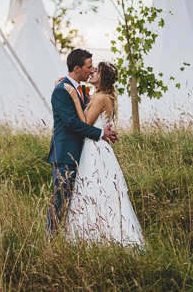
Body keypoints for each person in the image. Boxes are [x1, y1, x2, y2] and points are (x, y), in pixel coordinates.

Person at [62, 61, 145, 248]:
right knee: (103, 192)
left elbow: (85, 123)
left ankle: (93, 238)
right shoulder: (103, 96)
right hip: (102, 148)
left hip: (94, 149)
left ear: (102, 77)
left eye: (96, 71)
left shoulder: (100, 98)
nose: (92, 72)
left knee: (92, 190)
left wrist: (75, 98)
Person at [46, 49, 118, 237]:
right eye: (88, 67)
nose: (91, 70)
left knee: (79, 202)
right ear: (77, 69)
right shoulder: (61, 91)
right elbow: (72, 123)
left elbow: (90, 111)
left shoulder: (83, 91)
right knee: (59, 203)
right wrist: (101, 133)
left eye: (94, 68)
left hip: (84, 156)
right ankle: (48, 241)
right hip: (65, 156)